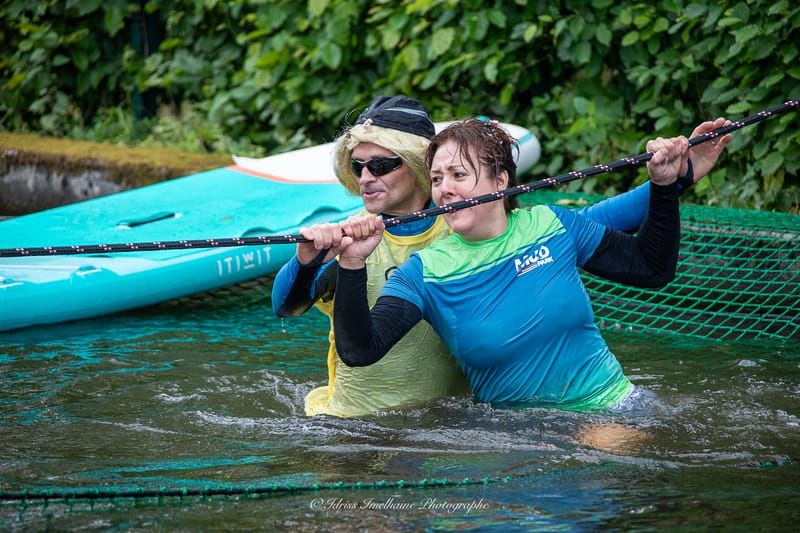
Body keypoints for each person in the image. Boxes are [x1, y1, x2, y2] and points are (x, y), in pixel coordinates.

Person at [272, 95, 730, 417]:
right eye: (358, 167)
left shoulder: (533, 224)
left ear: (500, 182)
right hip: (373, 427)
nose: (367, 176)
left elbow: (629, 240)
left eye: (382, 164)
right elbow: (291, 310)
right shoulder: (360, 241)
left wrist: (674, 178)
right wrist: (316, 259)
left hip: (463, 423)